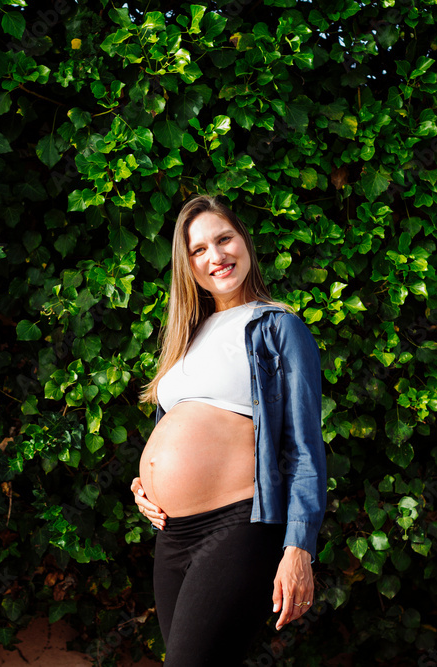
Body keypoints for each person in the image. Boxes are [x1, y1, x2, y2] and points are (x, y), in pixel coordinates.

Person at [131, 194, 327, 665]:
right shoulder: (187, 336)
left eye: (224, 239)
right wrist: (146, 484)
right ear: (187, 265)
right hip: (172, 535)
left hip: (237, 525)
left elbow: (304, 446)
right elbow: (175, 429)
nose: (215, 256)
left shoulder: (277, 327)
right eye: (199, 250)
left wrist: (299, 546)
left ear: (244, 242)